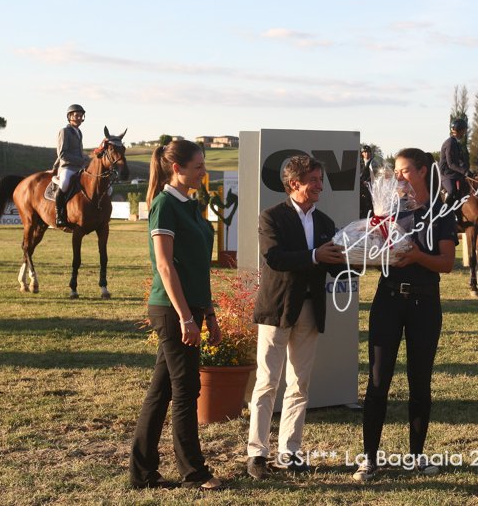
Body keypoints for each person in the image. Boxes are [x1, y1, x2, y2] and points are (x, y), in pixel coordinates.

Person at [352, 148, 457, 482]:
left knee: (420, 382)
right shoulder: (388, 211)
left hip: (425, 303)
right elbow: (374, 255)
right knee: (377, 381)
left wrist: (417, 257)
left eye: (404, 170)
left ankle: (416, 457)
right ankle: (369, 459)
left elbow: (446, 263)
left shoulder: (441, 212)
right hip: (388, 299)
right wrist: (368, 244)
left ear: (423, 171)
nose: (397, 177)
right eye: (395, 171)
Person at [130, 140, 223, 491]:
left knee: (162, 390)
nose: (203, 172)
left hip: (191, 308)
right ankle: (193, 473)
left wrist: (209, 314)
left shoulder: (192, 205)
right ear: (177, 168)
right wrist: (186, 317)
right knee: (186, 388)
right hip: (171, 309)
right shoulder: (164, 205)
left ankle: (142, 473)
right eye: (198, 167)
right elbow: (165, 267)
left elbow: (199, 268)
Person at [246, 155, 347, 479]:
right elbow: (274, 258)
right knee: (266, 383)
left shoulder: (326, 222)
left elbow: (335, 266)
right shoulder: (271, 217)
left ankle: (289, 452)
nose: (320, 186)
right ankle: (257, 453)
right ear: (294, 184)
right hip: (277, 309)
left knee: (300, 384)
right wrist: (315, 255)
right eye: (314, 180)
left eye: (320, 180)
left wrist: (359, 254)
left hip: (310, 311)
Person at [51, 104, 87, 227]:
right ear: (70, 116)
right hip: (68, 167)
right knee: (65, 183)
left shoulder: (79, 132)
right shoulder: (64, 131)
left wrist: (85, 160)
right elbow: (62, 153)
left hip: (79, 167)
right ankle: (59, 215)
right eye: (76, 115)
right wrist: (80, 161)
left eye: (81, 116)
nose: (79, 118)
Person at [439, 118, 472, 207]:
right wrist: (464, 172)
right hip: (446, 174)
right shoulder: (450, 143)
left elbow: (461, 160)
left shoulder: (457, 143)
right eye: (464, 131)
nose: (464, 133)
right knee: (452, 191)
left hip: (454, 174)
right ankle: (444, 212)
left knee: (467, 188)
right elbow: (451, 164)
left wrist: (468, 171)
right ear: (459, 130)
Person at [360, 145, 375, 218]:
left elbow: (375, 174)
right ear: (362, 153)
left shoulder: (373, 162)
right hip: (360, 186)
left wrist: (367, 181)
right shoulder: (359, 162)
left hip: (370, 186)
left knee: (370, 203)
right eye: (365, 152)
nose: (367, 153)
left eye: (368, 152)